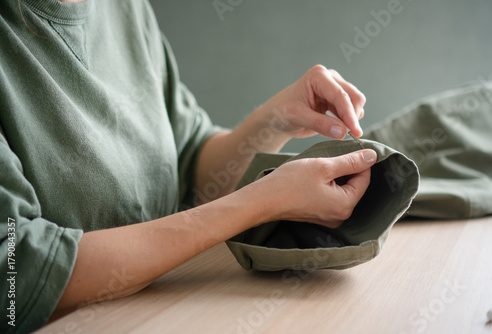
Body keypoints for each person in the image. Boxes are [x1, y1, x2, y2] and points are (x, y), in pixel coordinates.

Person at [0, 0, 377, 332]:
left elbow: (188, 159)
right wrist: (260, 203)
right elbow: (16, 274)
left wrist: (275, 119)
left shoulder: (125, 8)